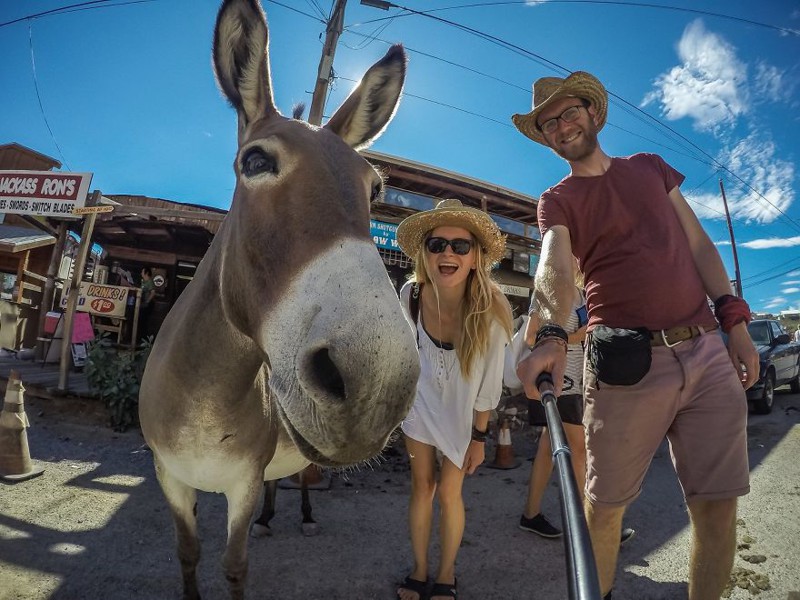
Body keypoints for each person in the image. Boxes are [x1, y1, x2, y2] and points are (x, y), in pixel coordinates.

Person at [511, 71, 759, 600]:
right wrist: (553, 332)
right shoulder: (556, 200)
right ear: (547, 138)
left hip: (707, 351)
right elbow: (554, 265)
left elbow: (697, 245)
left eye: (568, 112)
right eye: (548, 122)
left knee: (717, 509)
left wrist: (734, 320)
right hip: (626, 365)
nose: (561, 125)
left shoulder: (649, 168)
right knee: (603, 510)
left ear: (593, 114)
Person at [395, 198, 513, 600]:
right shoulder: (410, 293)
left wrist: (481, 438)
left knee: (450, 492)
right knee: (422, 487)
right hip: (420, 405)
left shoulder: (492, 307)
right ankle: (419, 569)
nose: (448, 252)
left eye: (460, 246)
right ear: (424, 254)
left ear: (476, 257)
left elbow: (488, 387)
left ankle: (446, 575)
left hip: (464, 415)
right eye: (437, 244)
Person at [139, 267, 156, 340]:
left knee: (143, 321)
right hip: (142, 303)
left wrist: (147, 301)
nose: (141, 273)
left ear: (146, 273)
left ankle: (144, 339)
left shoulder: (150, 282)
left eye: (142, 272)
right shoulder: (143, 281)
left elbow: (153, 292)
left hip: (148, 304)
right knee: (141, 320)